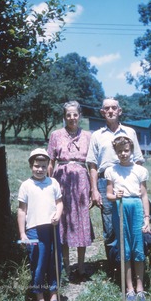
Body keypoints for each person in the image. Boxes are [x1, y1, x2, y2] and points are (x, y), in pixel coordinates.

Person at [86, 97, 145, 259]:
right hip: (106, 183)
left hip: (128, 180)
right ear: (102, 112)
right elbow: (92, 165)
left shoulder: (130, 132)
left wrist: (140, 184)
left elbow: (138, 160)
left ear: (120, 111)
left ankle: (133, 262)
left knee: (131, 221)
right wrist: (94, 190)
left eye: (114, 108)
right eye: (107, 108)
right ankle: (115, 267)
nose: (110, 111)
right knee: (110, 226)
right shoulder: (97, 135)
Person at [47, 101, 93, 281]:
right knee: (63, 222)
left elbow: (92, 163)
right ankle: (66, 267)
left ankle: (81, 267)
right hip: (62, 181)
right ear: (64, 116)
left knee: (81, 222)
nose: (72, 118)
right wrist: (50, 185)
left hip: (82, 182)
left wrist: (92, 190)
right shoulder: (56, 135)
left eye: (75, 114)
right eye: (68, 115)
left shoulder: (88, 136)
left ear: (79, 115)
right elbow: (50, 161)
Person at [105, 136, 150, 301]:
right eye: (120, 151)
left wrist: (146, 218)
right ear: (116, 153)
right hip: (120, 207)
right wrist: (114, 195)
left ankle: (140, 288)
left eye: (126, 150)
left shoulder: (140, 170)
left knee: (138, 247)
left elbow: (144, 195)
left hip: (136, 207)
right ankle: (129, 288)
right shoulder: (111, 170)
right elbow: (109, 194)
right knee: (125, 248)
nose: (123, 154)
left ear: (131, 151)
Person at [17, 148, 63, 301]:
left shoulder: (53, 183)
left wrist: (58, 215)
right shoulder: (26, 185)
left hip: (51, 228)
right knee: (37, 263)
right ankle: (40, 299)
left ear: (48, 166)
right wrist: (22, 233)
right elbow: (22, 210)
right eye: (37, 166)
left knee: (54, 262)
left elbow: (59, 203)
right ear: (31, 166)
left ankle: (53, 297)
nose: (40, 169)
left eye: (43, 166)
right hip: (34, 231)